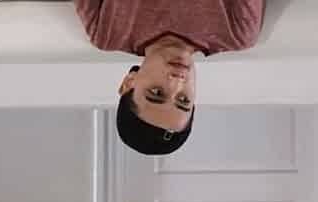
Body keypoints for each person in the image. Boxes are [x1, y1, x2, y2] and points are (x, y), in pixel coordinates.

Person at [72, 0, 266, 156]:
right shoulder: (237, 32)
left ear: (128, 83)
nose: (177, 81)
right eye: (183, 99)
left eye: (157, 93)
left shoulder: (106, 32)